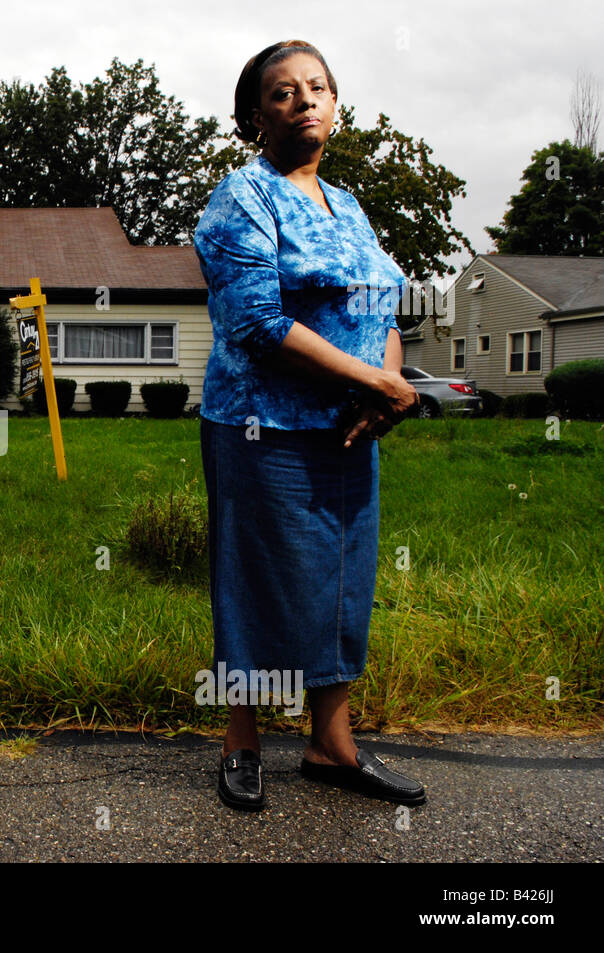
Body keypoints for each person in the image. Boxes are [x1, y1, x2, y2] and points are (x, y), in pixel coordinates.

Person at [193, 39, 427, 811]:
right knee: (256, 578)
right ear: (254, 114)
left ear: (336, 105)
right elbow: (257, 321)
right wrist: (375, 382)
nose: (305, 101)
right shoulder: (243, 195)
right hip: (263, 428)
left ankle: (332, 746)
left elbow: (381, 311)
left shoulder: (350, 205)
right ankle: (242, 739)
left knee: (341, 584)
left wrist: (384, 389)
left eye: (318, 88)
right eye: (285, 92)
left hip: (347, 431)